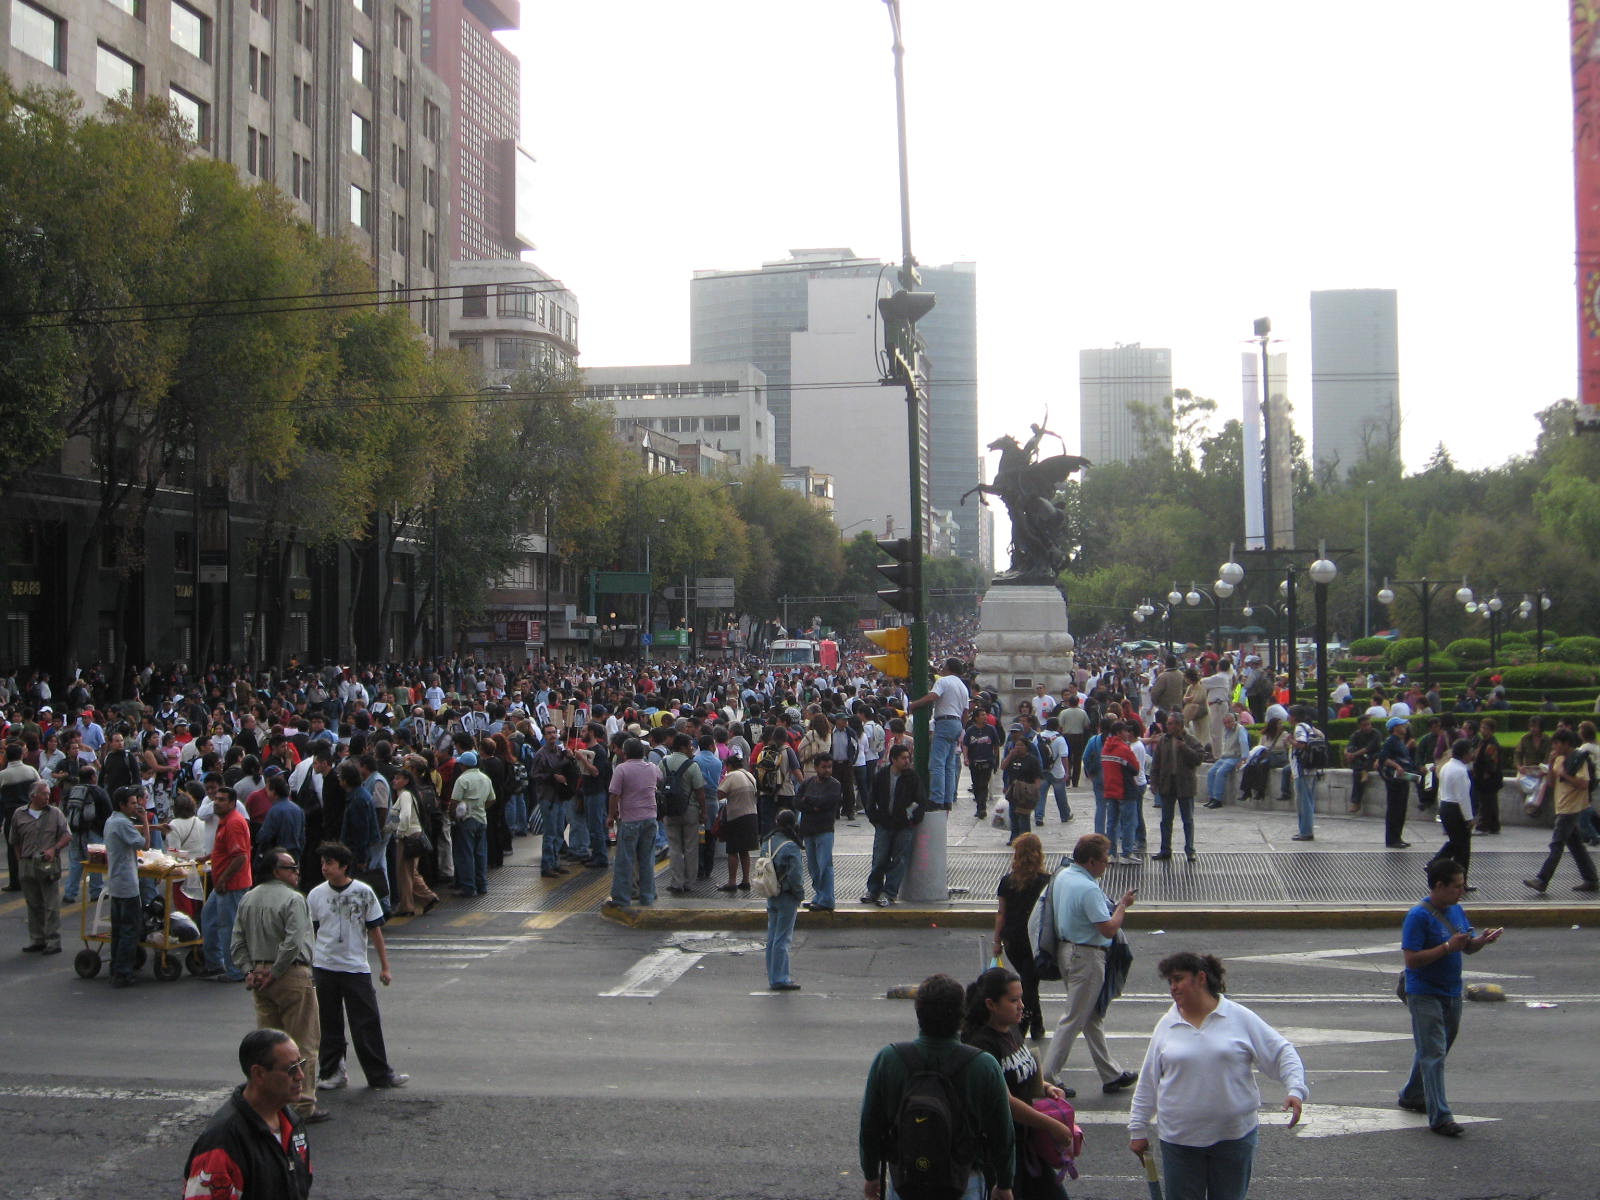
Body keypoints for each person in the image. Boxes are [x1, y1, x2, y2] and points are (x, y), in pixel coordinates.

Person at [1128, 952, 1307, 1198]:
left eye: (1178, 979)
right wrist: (1137, 1129)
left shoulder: (1238, 1017)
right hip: (1179, 1141)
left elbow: (1281, 1052)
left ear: (1201, 978)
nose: (1173, 987)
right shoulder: (1167, 1025)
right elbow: (1148, 1081)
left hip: (1233, 1138)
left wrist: (1295, 1090)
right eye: (1170, 982)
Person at [859, 973, 1016, 1200]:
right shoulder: (983, 1065)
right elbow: (1002, 1133)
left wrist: (871, 1174)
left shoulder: (889, 1059)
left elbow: (870, 1125)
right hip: (964, 1180)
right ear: (962, 1016)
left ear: (919, 1014)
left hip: (906, 1178)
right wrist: (1004, 1183)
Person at [1400, 857, 1503, 1136]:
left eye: (1463, 884)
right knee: (1434, 1053)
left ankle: (1411, 1093)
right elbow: (1412, 960)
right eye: (1457, 885)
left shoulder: (1456, 910)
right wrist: (1447, 947)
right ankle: (1440, 1116)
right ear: (1438, 886)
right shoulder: (1418, 916)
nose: (1462, 889)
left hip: (1451, 991)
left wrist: (1480, 942)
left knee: (1436, 1047)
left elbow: (1465, 946)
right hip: (1424, 992)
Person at [962, 967, 1079, 1200]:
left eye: (1021, 999)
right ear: (991, 1004)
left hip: (1026, 1142)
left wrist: (1046, 1087)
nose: (1021, 1006)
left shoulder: (1012, 1028)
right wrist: (1052, 1125)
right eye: (1013, 1000)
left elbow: (1023, 1069)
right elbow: (1005, 1101)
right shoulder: (981, 1045)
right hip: (1001, 1148)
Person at [232, 847, 327, 1125]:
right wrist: (275, 971)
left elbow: (237, 940)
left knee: (269, 1045)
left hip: (260, 976)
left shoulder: (248, 898)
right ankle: (303, 1104)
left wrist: (249, 970)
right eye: (291, 868)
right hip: (290, 974)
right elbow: (293, 942)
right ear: (277, 871)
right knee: (303, 1042)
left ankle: (270, 1100)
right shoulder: (294, 899)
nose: (296, 872)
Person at [1039, 834, 1138, 1098]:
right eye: (1105, 860)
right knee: (1074, 1017)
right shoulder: (1089, 889)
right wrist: (1122, 906)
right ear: (1092, 861)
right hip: (1088, 956)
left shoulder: (1064, 876)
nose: (1107, 865)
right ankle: (1048, 1076)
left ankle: (1111, 1074)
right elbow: (1107, 929)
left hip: (1066, 950)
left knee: (1090, 1015)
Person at [307, 841, 409, 1093]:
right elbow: (312, 931)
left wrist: (385, 967)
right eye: (323, 863)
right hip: (324, 966)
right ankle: (332, 1071)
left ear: (344, 866)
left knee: (366, 1022)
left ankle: (379, 1074)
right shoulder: (316, 895)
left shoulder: (364, 892)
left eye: (329, 863)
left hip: (355, 968)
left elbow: (375, 931)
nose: (325, 868)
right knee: (329, 1023)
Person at [184, 1027, 314, 1199]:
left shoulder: (293, 1125)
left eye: (301, 1064)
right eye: (291, 1069)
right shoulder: (223, 1142)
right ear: (259, 1074)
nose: (300, 1076)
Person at [1523, 728, 1600, 894]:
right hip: (1561, 805)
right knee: (1576, 845)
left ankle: (1542, 879)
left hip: (1571, 808)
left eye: (1557, 743)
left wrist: (1565, 774)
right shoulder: (1558, 759)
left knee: (1557, 844)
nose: (1554, 746)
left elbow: (1583, 783)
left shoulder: (1579, 760)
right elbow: (1551, 783)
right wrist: (1551, 765)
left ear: (1566, 744)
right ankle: (1591, 879)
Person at [991, 832, 1050, 1041]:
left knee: (1028, 982)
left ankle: (1035, 1023)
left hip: (1013, 939)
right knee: (1029, 983)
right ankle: (1027, 1025)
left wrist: (997, 941)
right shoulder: (1046, 881)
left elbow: (1001, 914)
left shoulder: (1007, 881)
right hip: (1035, 939)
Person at [200, 787, 255, 982]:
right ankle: (215, 963)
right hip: (223, 883)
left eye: (222, 800)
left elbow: (240, 857)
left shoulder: (234, 823)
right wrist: (208, 857)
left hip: (231, 884)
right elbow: (226, 851)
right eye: (216, 799)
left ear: (232, 803)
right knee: (209, 917)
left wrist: (223, 880)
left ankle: (235, 970)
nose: (217, 802)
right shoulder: (225, 822)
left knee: (228, 926)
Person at [102, 785, 154, 987]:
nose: (136, 806)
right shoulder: (123, 823)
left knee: (118, 929)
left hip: (116, 883)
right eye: (132, 803)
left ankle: (116, 967)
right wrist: (145, 822)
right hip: (127, 884)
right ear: (122, 805)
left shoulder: (112, 821)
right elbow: (145, 845)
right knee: (129, 930)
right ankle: (123, 971)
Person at [860, 743, 924, 908]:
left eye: (908, 758)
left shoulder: (912, 777)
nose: (907, 761)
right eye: (903, 758)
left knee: (898, 859)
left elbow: (920, 800)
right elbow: (871, 798)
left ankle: (889, 893)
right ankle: (873, 890)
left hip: (904, 825)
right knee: (879, 857)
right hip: (884, 823)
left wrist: (913, 818)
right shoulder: (881, 775)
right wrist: (874, 818)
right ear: (893, 759)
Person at [11, 780, 70, 954]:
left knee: (51, 905)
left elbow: (67, 835)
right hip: (27, 863)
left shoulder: (55, 813)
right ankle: (37, 939)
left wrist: (55, 849)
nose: (47, 796)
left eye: (48, 793)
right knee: (33, 904)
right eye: (44, 793)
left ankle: (53, 941)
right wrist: (21, 860)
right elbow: (15, 841)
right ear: (33, 796)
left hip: (47, 864)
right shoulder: (19, 814)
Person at [907, 658, 972, 810]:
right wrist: (961, 728)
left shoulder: (943, 681)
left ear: (948, 668)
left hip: (944, 721)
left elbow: (932, 697)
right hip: (956, 723)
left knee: (937, 763)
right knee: (949, 765)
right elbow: (966, 712)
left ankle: (936, 799)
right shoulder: (963, 686)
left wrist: (914, 704)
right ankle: (948, 798)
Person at [605, 738, 660, 907]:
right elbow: (660, 779)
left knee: (625, 860)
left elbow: (614, 794)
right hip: (650, 817)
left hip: (629, 819)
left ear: (625, 753)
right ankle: (647, 895)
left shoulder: (622, 769)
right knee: (647, 859)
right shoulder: (652, 768)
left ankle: (621, 897)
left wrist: (611, 816)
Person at [660, 732, 708, 896]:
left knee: (674, 848)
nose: (691, 749)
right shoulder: (692, 766)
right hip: (690, 810)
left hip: (670, 811)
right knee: (690, 847)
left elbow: (659, 785)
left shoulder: (663, 762)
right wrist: (704, 812)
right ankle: (688, 882)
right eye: (689, 745)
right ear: (682, 747)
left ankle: (676, 882)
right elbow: (700, 792)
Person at [1152, 713, 1203, 862]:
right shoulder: (1163, 741)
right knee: (1166, 820)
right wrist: (1154, 782)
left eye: (1172, 724)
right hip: (1167, 785)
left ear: (1180, 726)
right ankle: (1165, 849)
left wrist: (1184, 748)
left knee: (1188, 820)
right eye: (1168, 723)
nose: (1169, 726)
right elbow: (1156, 763)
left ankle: (1190, 850)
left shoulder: (1190, 740)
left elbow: (1198, 758)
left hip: (1185, 785)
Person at [764, 809, 805, 991]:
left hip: (771, 892)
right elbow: (796, 876)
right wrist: (799, 894)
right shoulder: (791, 847)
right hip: (787, 895)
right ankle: (781, 978)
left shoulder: (768, 842)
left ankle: (773, 976)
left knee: (772, 937)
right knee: (783, 938)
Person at [796, 753, 841, 911]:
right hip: (809, 830)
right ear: (816, 768)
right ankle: (819, 895)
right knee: (813, 867)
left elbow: (827, 802)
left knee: (825, 866)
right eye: (824, 767)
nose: (827, 770)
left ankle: (827, 899)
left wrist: (808, 801)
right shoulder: (808, 783)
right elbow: (797, 802)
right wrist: (813, 805)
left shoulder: (834, 785)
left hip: (824, 830)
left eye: (829, 767)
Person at [449, 750, 494, 897]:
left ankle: (468, 887)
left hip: (467, 819)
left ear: (463, 765)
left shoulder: (462, 780)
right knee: (481, 853)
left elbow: (454, 802)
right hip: (482, 818)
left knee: (466, 854)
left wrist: (454, 816)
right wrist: (480, 807)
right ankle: (482, 885)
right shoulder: (485, 778)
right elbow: (492, 799)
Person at [1433, 739, 1475, 888]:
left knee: (1455, 843)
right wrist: (1469, 818)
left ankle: (1453, 877)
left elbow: (1441, 790)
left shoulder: (1447, 767)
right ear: (1464, 754)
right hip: (1455, 810)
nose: (1472, 754)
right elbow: (1463, 797)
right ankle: (1460, 880)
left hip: (1445, 806)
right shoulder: (1460, 771)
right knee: (1462, 848)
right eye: (1471, 751)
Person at [716, 752, 759, 894]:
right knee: (745, 850)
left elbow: (720, 794)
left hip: (737, 817)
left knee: (732, 850)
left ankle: (732, 882)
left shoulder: (732, 776)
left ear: (729, 766)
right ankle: (746, 880)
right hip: (752, 815)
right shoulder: (750, 776)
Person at [1203, 712, 1248, 810]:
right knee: (1211, 772)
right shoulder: (1226, 731)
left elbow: (1244, 743)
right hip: (1225, 757)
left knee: (1220, 772)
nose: (1227, 725)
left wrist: (1243, 759)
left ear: (1234, 721)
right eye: (1225, 723)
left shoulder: (1240, 730)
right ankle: (1212, 797)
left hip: (1234, 757)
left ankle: (1217, 799)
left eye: (1229, 722)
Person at [963, 709, 999, 819]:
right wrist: (966, 757)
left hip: (987, 761)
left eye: (985, 714)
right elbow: (965, 745)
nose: (985, 717)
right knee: (976, 785)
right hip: (974, 762)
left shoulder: (991, 729)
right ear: (976, 717)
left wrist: (994, 758)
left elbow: (996, 745)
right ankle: (980, 805)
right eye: (982, 715)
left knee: (983, 785)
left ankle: (981, 808)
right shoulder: (970, 731)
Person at [1343, 713, 1382, 814]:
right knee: (1357, 773)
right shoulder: (1356, 734)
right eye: (1365, 725)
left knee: (1367, 760)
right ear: (1360, 726)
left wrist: (1353, 755)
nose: (1367, 727)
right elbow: (1349, 745)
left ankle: (1356, 802)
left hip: (1372, 757)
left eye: (1369, 724)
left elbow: (1368, 749)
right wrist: (1347, 753)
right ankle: (1356, 802)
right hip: (1360, 759)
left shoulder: (1375, 734)